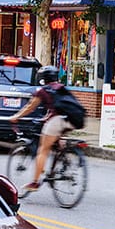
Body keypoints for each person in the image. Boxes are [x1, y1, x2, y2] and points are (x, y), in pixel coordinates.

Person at [9, 65, 75, 194]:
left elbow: (30, 107)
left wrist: (16, 117)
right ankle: (64, 159)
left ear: (43, 78)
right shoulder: (62, 89)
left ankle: (35, 182)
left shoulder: (43, 91)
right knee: (56, 137)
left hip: (57, 120)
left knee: (43, 149)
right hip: (73, 119)